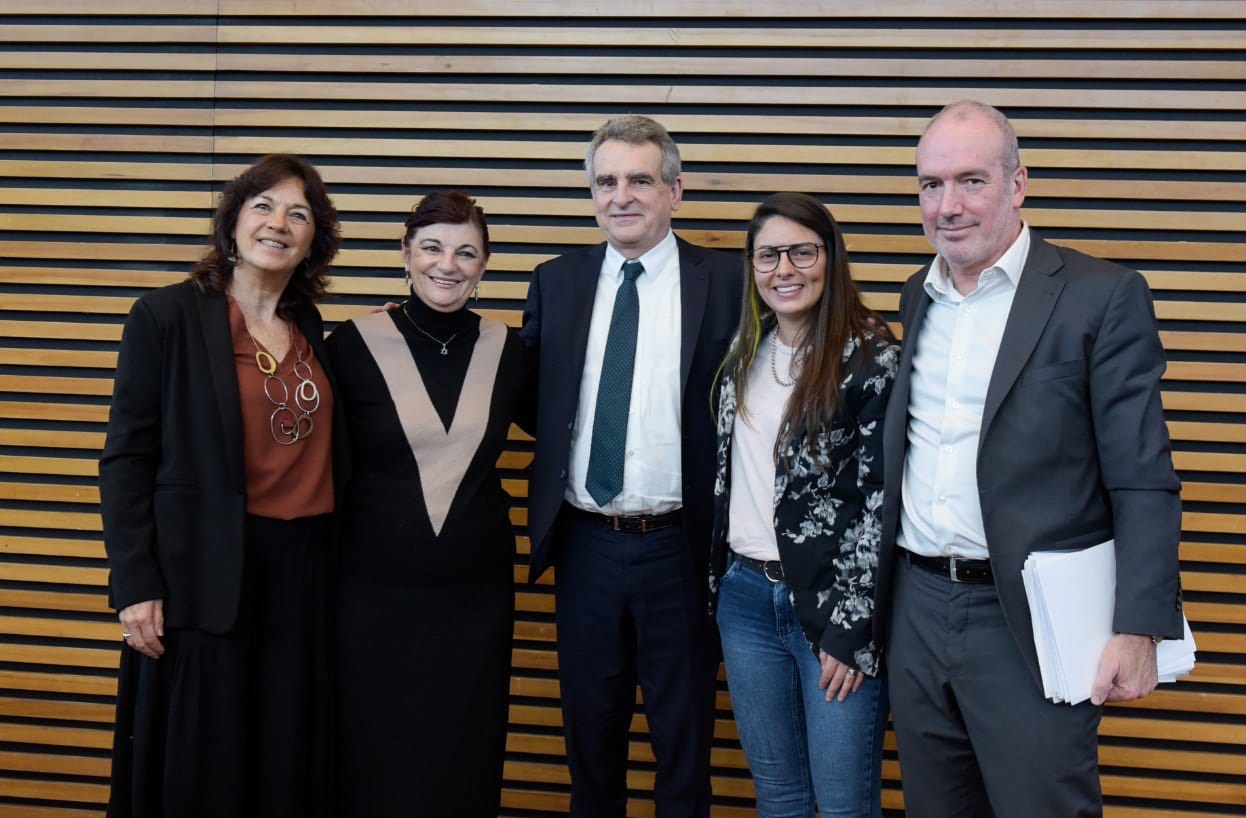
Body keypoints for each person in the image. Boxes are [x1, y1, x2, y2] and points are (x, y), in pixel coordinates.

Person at [874, 100, 1184, 817]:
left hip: (1029, 622)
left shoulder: (1099, 297)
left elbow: (1144, 478)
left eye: (970, 181)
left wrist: (1139, 628)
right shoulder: (916, 298)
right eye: (929, 184)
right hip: (917, 611)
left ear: (1018, 185)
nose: (947, 205)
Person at [100, 154, 345, 817]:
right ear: (233, 220)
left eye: (299, 214)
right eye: (263, 205)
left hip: (302, 579)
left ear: (314, 240)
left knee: (281, 761)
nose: (279, 222)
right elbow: (126, 459)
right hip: (202, 577)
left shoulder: (312, 332)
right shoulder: (166, 318)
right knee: (202, 766)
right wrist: (135, 585)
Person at [520, 114, 741, 817]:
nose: (622, 195)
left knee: (683, 748)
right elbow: (526, 395)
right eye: (607, 180)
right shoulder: (556, 282)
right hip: (584, 545)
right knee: (591, 744)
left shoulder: (732, 281)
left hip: (680, 547)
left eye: (640, 180)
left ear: (674, 192)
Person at [326, 190, 529, 817]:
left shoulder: (511, 350)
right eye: (433, 248)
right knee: (373, 752)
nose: (449, 264)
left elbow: (575, 434)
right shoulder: (352, 345)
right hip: (371, 594)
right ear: (406, 255)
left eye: (466, 252)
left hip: (475, 596)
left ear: (485, 264)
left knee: (465, 754)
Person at [708, 192, 897, 818]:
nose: (784, 269)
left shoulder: (870, 358)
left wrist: (852, 629)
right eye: (768, 256)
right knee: (781, 799)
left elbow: (881, 501)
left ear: (830, 258)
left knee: (843, 807)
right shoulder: (744, 350)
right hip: (745, 600)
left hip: (831, 614)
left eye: (801, 252)